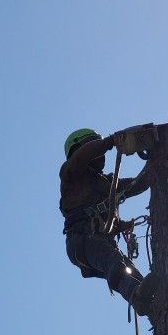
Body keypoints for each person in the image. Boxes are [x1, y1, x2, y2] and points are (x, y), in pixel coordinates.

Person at [60, 127, 158, 317]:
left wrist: (155, 158)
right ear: (78, 148)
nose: (101, 155)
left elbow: (139, 183)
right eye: (93, 144)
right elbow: (82, 157)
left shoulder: (106, 183)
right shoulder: (71, 174)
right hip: (82, 240)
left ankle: (155, 309)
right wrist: (111, 142)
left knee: (131, 272)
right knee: (114, 262)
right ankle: (137, 296)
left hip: (100, 241)